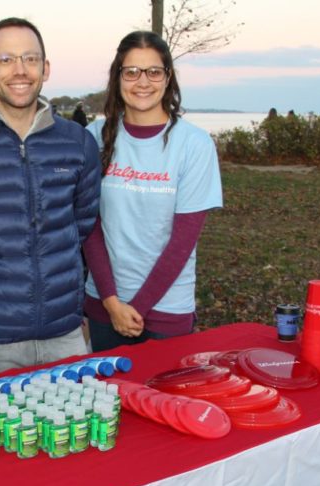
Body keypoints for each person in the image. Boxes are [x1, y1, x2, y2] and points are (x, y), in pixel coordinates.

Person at [0, 17, 101, 379]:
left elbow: (81, 224)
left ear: (46, 68)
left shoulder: (78, 142)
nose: (19, 70)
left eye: (30, 59)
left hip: (64, 334)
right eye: (5, 59)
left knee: (78, 434)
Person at [82, 31, 222, 352]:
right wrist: (112, 302)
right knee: (108, 400)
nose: (142, 82)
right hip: (104, 302)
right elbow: (90, 227)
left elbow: (183, 240)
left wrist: (138, 307)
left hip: (167, 310)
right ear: (117, 77)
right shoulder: (93, 137)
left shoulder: (194, 145)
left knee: (165, 402)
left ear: (168, 77)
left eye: (153, 72)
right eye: (131, 72)